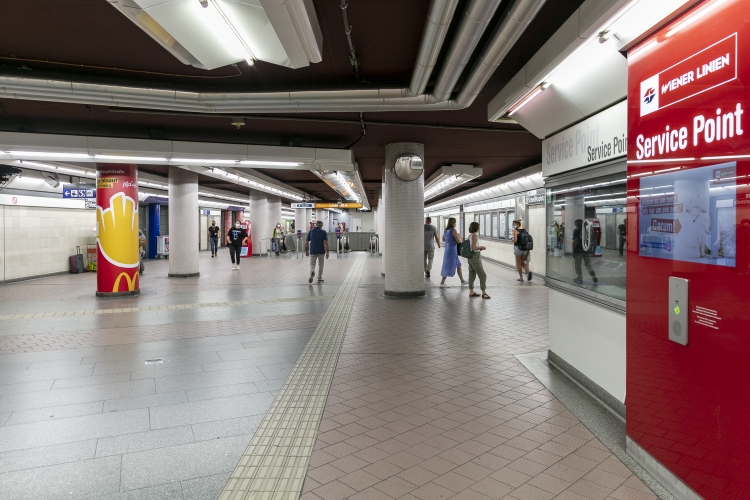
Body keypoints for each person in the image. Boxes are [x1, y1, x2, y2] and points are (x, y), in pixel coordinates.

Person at [439, 217, 467, 286]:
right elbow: (458, 241)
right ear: (453, 223)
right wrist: (459, 236)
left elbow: (443, 239)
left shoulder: (445, 230)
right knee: (449, 265)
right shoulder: (453, 230)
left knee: (458, 265)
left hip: (447, 250)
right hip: (452, 250)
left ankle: (462, 281)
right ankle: (442, 283)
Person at [466, 222, 490, 299]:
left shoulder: (470, 235)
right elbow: (473, 247)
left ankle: (471, 291)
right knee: (482, 275)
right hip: (475, 257)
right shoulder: (474, 236)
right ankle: (484, 292)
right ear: (477, 228)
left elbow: (471, 247)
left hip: (470, 256)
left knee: (472, 274)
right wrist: (481, 247)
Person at [573, 219, 598, 284]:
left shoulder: (576, 231)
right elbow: (595, 242)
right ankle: (591, 271)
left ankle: (579, 277)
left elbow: (575, 242)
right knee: (588, 264)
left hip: (578, 250)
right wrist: (594, 250)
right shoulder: (590, 231)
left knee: (577, 264)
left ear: (576, 225)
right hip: (587, 250)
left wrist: (573, 251)